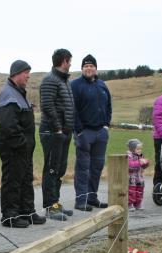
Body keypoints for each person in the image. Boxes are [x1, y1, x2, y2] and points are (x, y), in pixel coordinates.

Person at [0, 60, 46, 228]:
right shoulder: (7, 94)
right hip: (13, 147)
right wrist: (22, 144)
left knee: (25, 179)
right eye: (26, 72)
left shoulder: (18, 93)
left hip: (23, 148)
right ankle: (10, 216)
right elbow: (9, 125)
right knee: (12, 180)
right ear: (16, 73)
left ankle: (27, 212)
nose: (28, 76)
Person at [71, 54, 112, 211]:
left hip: (100, 132)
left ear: (96, 68)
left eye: (91, 66)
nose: (89, 68)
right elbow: (72, 109)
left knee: (97, 167)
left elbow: (108, 106)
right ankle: (81, 200)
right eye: (86, 66)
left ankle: (92, 197)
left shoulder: (102, 85)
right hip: (84, 132)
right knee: (83, 167)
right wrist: (79, 130)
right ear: (82, 69)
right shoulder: (75, 85)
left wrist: (106, 125)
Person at [39, 48, 76, 221]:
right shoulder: (50, 80)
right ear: (64, 61)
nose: (70, 64)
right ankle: (50, 206)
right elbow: (47, 106)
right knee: (52, 169)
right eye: (69, 61)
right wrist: (58, 128)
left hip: (65, 132)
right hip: (53, 132)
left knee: (59, 169)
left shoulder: (64, 81)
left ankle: (56, 203)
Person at [126, 138, 149, 210]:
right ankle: (129, 204)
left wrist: (146, 163)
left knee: (140, 190)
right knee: (131, 190)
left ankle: (138, 203)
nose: (140, 150)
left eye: (140, 149)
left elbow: (143, 166)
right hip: (131, 177)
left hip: (139, 177)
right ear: (132, 149)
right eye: (138, 149)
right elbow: (130, 165)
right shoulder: (129, 156)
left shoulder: (141, 156)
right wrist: (139, 162)